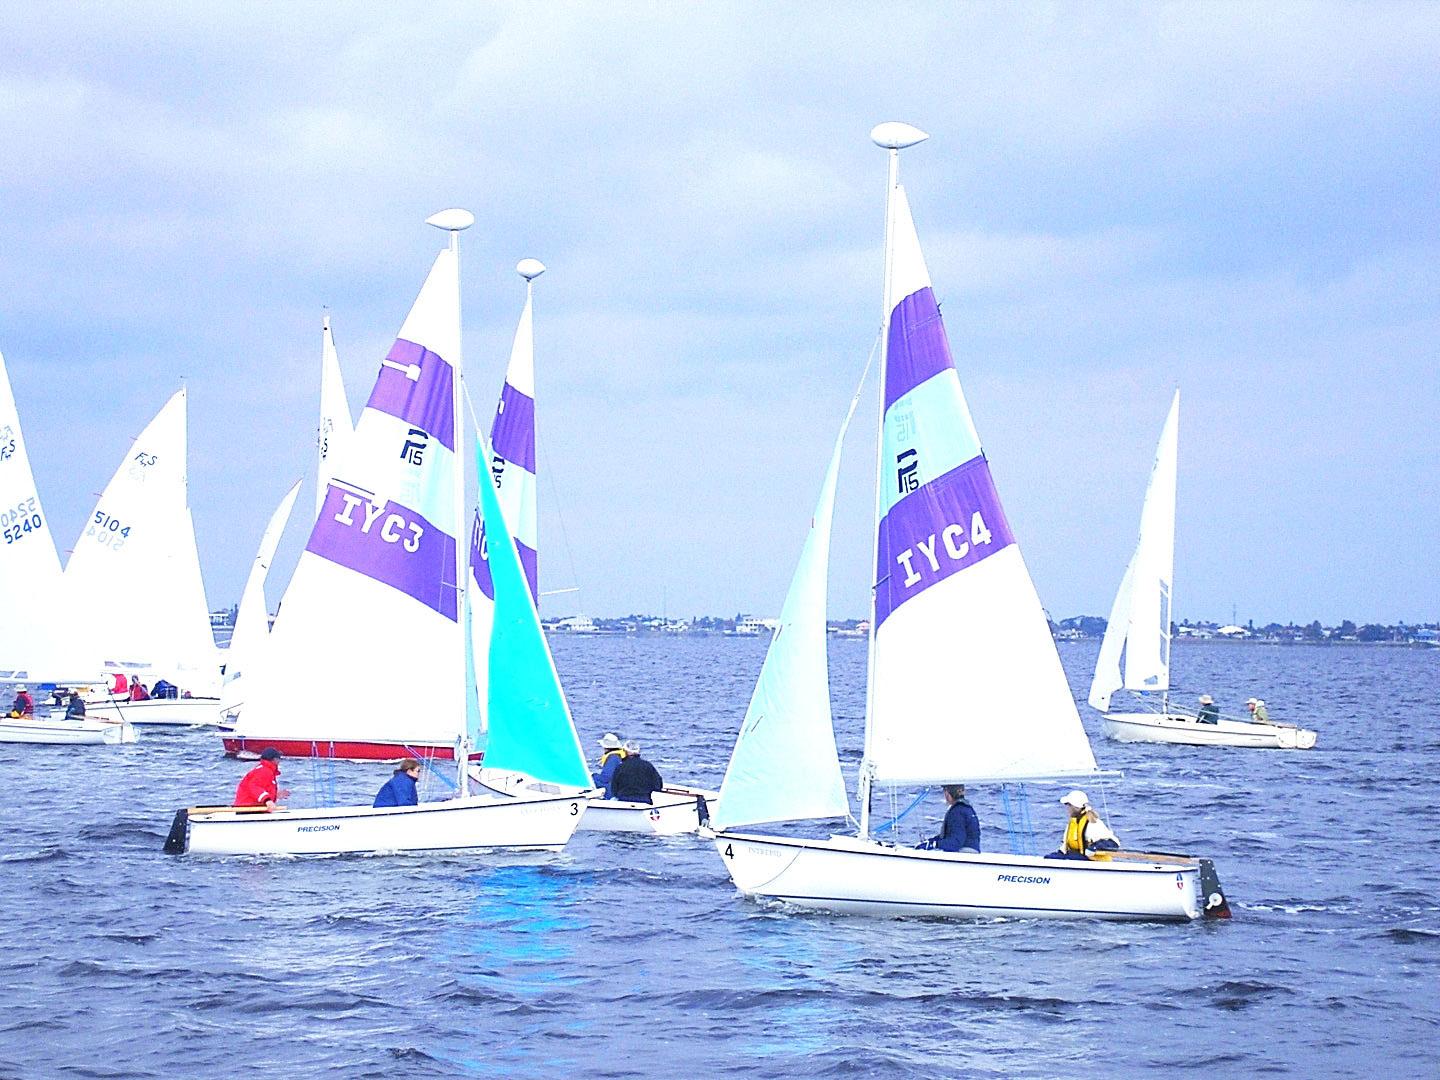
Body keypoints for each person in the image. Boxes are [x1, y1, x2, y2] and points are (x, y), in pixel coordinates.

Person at [1047, 790, 1121, 860]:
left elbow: (1114, 843)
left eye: (1069, 805)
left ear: (1076, 807)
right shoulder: (1072, 823)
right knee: (1051, 857)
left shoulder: (1092, 823)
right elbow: (1064, 848)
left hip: (1094, 862)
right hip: (1078, 858)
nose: (1067, 808)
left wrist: (1094, 847)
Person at [917, 784, 980, 853]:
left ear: (947, 793)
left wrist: (934, 844)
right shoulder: (967, 808)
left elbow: (955, 842)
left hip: (965, 853)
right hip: (973, 851)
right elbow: (951, 835)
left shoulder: (957, 811)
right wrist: (931, 841)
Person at [608, 739, 664, 804]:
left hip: (624, 801)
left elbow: (614, 789)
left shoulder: (620, 767)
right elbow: (658, 785)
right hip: (645, 801)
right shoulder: (648, 766)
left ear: (625, 752)